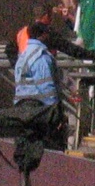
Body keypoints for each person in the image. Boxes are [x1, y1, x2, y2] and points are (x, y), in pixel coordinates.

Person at [13, 20, 65, 150]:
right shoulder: (40, 56)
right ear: (42, 36)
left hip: (21, 105)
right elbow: (46, 85)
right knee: (42, 147)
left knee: (25, 145)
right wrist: (55, 110)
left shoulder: (23, 54)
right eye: (47, 34)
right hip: (36, 107)